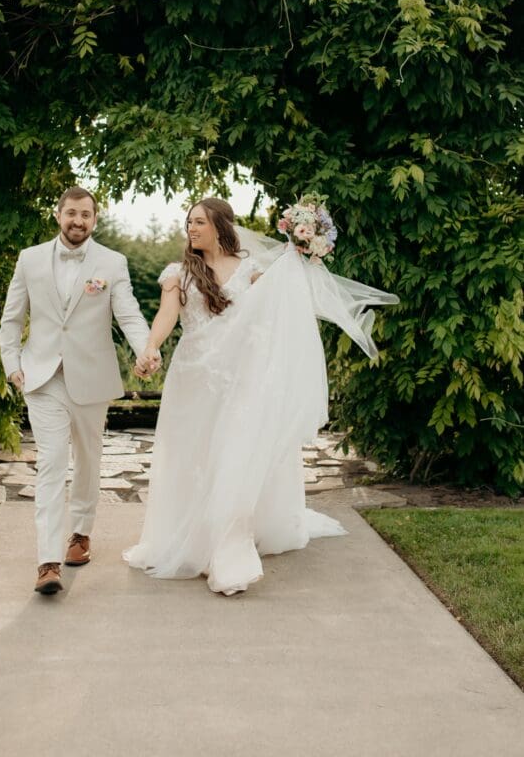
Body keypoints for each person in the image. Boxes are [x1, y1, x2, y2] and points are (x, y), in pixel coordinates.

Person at [123, 197, 398, 596]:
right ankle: (192, 538)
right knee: (194, 458)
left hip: (239, 379)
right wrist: (151, 347)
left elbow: (280, 306)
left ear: (220, 225)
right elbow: (166, 316)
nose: (191, 228)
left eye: (199, 222)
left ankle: (227, 548)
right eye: (189, 222)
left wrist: (300, 254)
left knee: (234, 456)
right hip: (193, 380)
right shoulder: (179, 273)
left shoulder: (251, 269)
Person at [0, 186, 158, 595]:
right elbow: (12, 319)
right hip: (43, 377)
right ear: (58, 215)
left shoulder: (113, 262)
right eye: (71, 213)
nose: (78, 221)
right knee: (51, 463)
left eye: (86, 214)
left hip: (91, 377)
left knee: (88, 459)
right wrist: (12, 364)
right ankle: (47, 562)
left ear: (94, 219)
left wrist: (147, 349)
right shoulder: (30, 259)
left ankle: (81, 533)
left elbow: (128, 314)